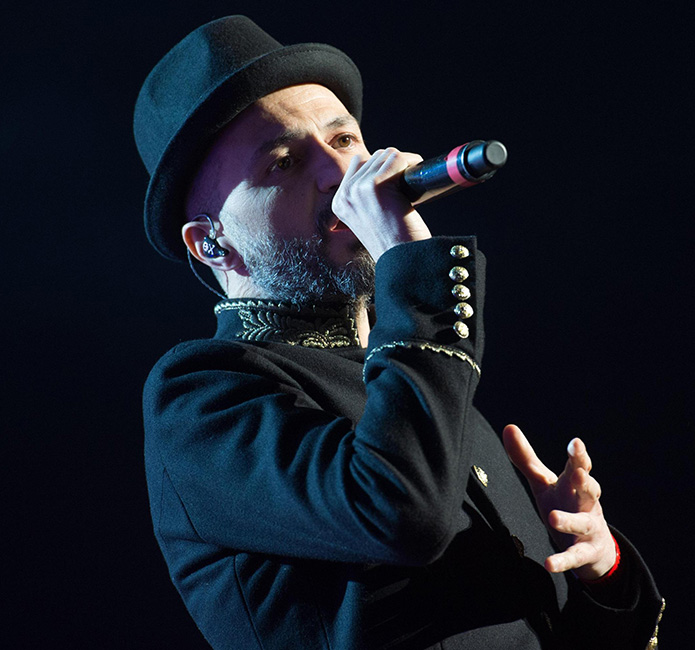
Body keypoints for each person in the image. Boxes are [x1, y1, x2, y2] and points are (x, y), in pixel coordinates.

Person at [135, 15, 664, 650]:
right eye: (284, 161)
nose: (339, 171)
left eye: (344, 138)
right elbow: (401, 512)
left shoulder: (414, 380)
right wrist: (409, 265)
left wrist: (601, 565)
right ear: (211, 242)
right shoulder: (200, 396)